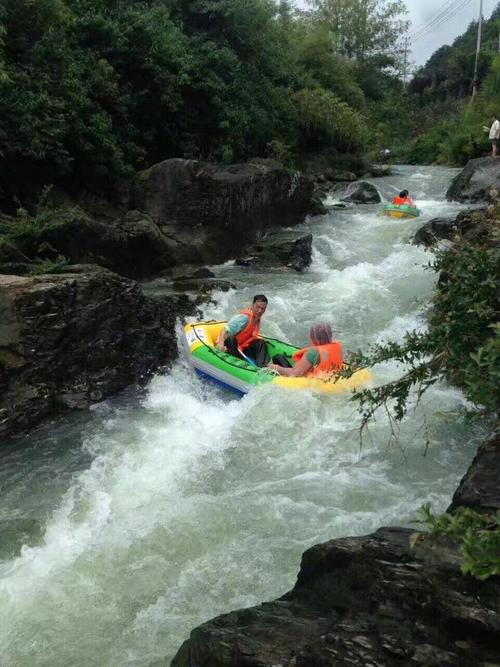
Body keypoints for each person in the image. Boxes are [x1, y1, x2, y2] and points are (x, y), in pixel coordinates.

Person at [268, 322, 343, 378]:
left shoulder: (313, 353)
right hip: (329, 380)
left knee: (277, 359)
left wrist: (274, 367)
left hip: (309, 383)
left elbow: (294, 373)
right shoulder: (337, 347)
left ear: (314, 338)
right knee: (278, 357)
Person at [216, 294, 270, 367]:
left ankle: (263, 367)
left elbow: (250, 335)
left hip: (241, 347)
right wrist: (220, 344)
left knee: (261, 343)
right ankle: (235, 365)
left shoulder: (257, 319)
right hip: (229, 346)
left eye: (263, 308)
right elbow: (225, 330)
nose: (260, 310)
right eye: (257, 307)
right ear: (252, 305)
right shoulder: (244, 318)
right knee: (231, 339)